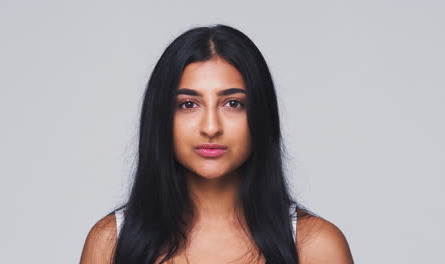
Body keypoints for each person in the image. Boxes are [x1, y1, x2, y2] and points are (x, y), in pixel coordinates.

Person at [79, 24, 354, 264]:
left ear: (260, 115)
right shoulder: (110, 243)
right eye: (188, 104)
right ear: (161, 117)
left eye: (233, 103)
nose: (211, 127)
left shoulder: (317, 246)